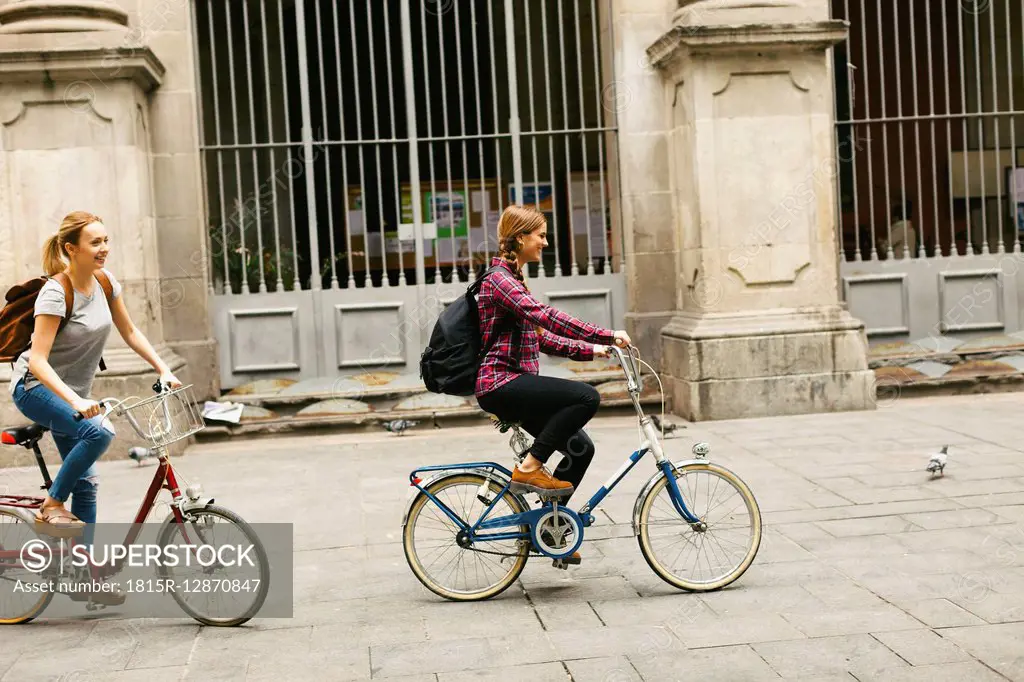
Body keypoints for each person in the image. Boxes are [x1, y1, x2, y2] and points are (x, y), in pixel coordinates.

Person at [10, 211, 181, 548]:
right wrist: (75, 401)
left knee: (87, 485)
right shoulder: (56, 293)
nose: (104, 248)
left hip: (73, 395)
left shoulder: (105, 283)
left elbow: (130, 331)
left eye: (106, 241)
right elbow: (39, 362)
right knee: (100, 432)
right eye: (95, 242)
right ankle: (52, 505)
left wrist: (163, 368)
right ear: (71, 249)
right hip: (34, 388)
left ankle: (85, 574)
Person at [474, 205, 630, 563]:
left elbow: (543, 339)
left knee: (580, 449)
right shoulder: (499, 280)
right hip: (500, 383)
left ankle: (548, 531)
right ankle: (529, 468)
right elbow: (546, 317)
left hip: (516, 382)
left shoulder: (513, 279)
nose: (545, 242)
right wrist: (605, 334)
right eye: (540, 235)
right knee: (585, 397)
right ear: (520, 238)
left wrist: (594, 350)